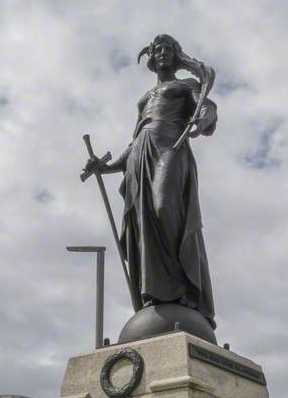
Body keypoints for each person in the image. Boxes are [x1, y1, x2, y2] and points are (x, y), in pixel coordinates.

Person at [84, 34, 217, 327]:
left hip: (170, 146)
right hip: (140, 153)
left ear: (177, 55)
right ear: (150, 59)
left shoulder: (187, 85)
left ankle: (183, 290)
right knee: (143, 225)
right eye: (157, 50)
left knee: (164, 207)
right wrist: (103, 168)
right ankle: (157, 294)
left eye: (168, 49)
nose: (162, 54)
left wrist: (205, 119)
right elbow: (135, 140)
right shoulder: (145, 98)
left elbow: (206, 107)